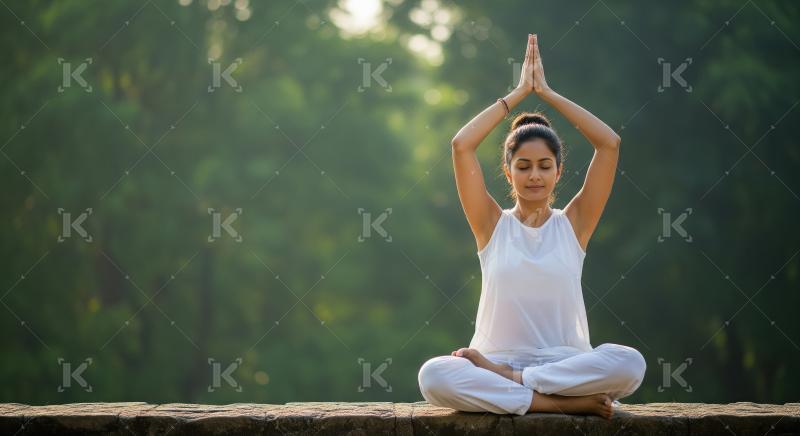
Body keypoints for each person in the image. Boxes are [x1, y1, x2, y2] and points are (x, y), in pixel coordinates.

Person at [417, 34, 645, 419]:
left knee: (630, 364)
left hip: (560, 366)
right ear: (508, 171)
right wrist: (519, 94)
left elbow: (609, 144)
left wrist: (549, 94)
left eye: (544, 166)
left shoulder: (574, 224)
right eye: (523, 166)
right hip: (494, 362)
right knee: (434, 376)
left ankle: (521, 383)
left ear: (559, 171)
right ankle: (553, 403)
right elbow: (461, 145)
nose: (534, 176)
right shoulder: (491, 225)